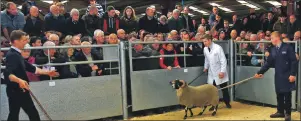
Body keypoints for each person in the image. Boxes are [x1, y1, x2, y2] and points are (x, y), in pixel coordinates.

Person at [4, 30, 58, 121]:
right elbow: (9, 74)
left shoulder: (16, 54)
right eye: (24, 40)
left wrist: (47, 73)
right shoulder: (12, 55)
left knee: (14, 114)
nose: (26, 42)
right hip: (18, 90)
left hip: (16, 89)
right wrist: (20, 81)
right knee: (32, 114)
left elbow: (31, 68)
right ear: (16, 41)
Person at [254, 32, 298, 121]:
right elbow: (268, 63)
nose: (271, 40)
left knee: (287, 95)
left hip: (287, 75)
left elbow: (294, 62)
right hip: (278, 75)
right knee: (279, 94)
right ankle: (280, 111)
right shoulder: (273, 50)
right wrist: (260, 72)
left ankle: (288, 113)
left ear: (277, 38)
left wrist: (293, 74)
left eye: (271, 38)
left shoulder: (288, 47)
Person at [202, 34, 231, 109]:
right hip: (211, 73)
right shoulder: (205, 49)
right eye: (203, 42)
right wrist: (205, 67)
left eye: (205, 41)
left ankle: (227, 103)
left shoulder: (218, 48)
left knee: (224, 89)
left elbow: (223, 60)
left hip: (219, 71)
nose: (204, 43)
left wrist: (222, 72)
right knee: (212, 91)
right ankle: (213, 105)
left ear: (209, 40)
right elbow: (206, 59)